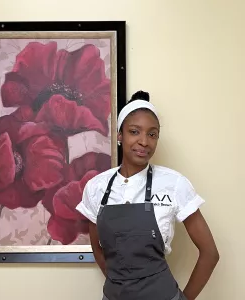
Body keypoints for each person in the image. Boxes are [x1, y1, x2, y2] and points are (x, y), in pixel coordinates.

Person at [76, 91, 219, 300]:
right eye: (135, 131)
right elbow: (98, 248)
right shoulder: (96, 187)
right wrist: (123, 285)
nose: (144, 141)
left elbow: (210, 253)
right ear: (119, 135)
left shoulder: (174, 184)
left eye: (152, 134)